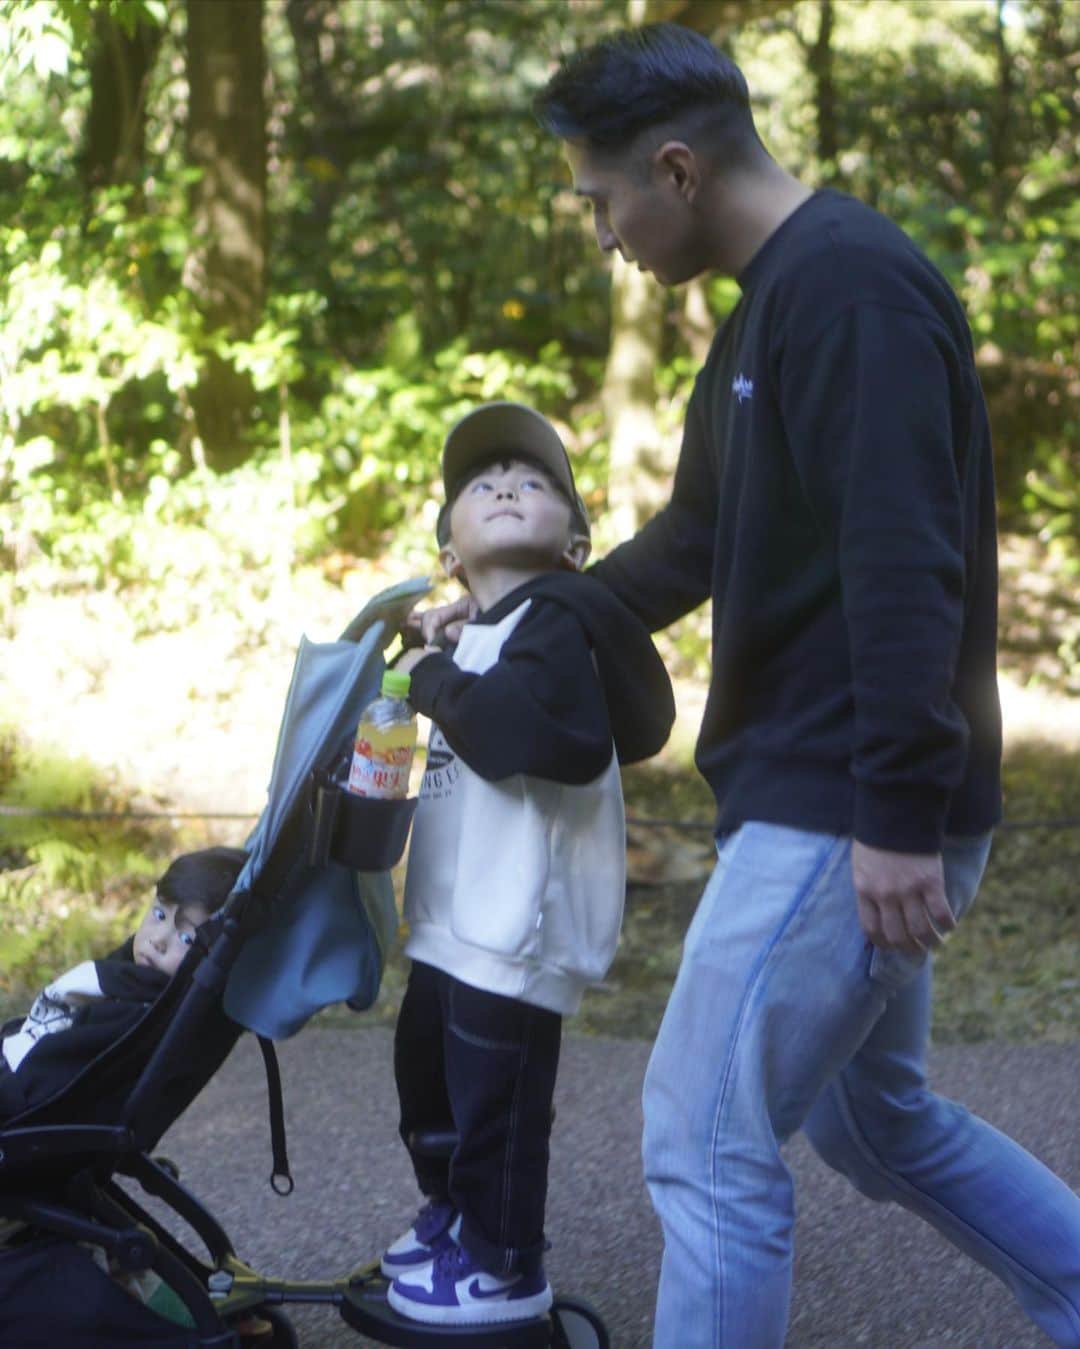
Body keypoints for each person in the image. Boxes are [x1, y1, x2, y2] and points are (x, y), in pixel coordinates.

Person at [514, 22, 1080, 1347]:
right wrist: (523, 613)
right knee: (873, 1120)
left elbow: (906, 566)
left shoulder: (852, 292)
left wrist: (896, 815)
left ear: (676, 169)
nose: (603, 232)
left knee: (704, 1134)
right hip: (839, 799)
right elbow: (699, 538)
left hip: (849, 811)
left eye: (601, 202)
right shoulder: (772, 308)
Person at [382, 400, 674, 1326]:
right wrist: (431, 650)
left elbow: (518, 734)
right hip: (456, 923)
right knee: (427, 1076)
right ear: (451, 554)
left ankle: (507, 1263)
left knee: (498, 1102)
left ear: (577, 547)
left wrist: (431, 680)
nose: (507, 485)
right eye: (480, 485)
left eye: (538, 483)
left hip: (515, 925)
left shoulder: (554, 626)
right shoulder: (475, 634)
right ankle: (458, 1215)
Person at [0, 846, 246, 1121]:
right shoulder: (125, 979)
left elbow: (40, 1087)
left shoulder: (135, 1016)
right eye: (159, 914)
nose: (158, 940)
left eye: (186, 938)